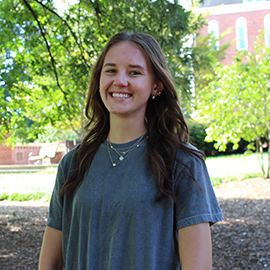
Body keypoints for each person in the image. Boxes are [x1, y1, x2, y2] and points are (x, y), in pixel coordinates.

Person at [39, 31, 224, 270]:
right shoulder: (74, 163)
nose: (120, 81)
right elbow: (49, 264)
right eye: (111, 70)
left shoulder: (182, 162)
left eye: (134, 72)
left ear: (156, 85)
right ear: (99, 80)